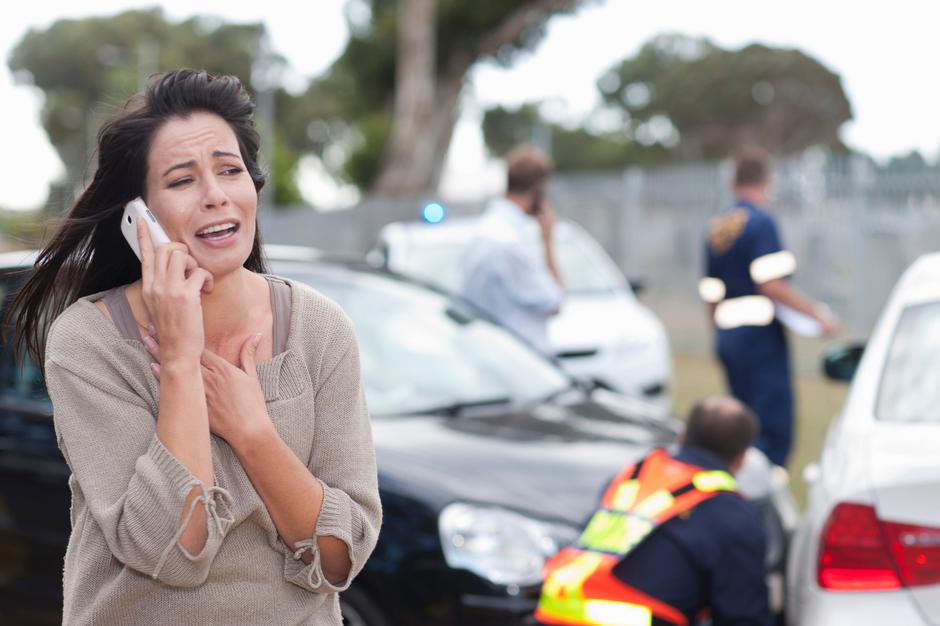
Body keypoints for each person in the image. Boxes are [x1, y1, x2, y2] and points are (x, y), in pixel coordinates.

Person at [5, 69, 381, 624]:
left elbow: (338, 559)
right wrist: (180, 361)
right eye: (182, 180)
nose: (215, 196)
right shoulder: (87, 343)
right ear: (140, 219)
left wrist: (253, 433)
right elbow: (173, 551)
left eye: (230, 171)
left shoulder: (319, 329)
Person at [536, 396, 772, 626]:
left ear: (683, 435)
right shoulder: (732, 514)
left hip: (558, 609)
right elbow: (743, 614)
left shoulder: (632, 476)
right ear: (742, 458)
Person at [699, 147, 837, 467]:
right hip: (760, 340)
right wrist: (818, 315)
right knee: (772, 427)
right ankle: (767, 495)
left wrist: (716, 336)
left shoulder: (718, 227)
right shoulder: (761, 223)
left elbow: (711, 289)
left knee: (739, 422)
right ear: (767, 182)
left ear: (732, 184)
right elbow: (771, 284)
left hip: (728, 337)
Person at [460, 144, 564, 356]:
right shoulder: (509, 242)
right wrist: (548, 241)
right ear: (538, 188)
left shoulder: (483, 230)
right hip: (521, 363)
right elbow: (555, 302)